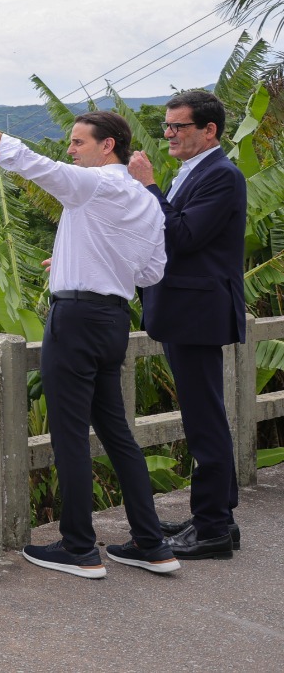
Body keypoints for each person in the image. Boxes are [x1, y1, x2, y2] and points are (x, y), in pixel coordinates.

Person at [0, 95, 178, 577]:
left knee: (69, 435)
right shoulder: (146, 202)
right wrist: (82, 258)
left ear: (107, 145)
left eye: (77, 141)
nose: (70, 150)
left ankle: (79, 548)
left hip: (75, 323)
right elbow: (151, 273)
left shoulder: (91, 185)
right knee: (118, 435)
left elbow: (26, 161)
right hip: (114, 322)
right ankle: (153, 545)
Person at [127, 89, 246, 560]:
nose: (169, 134)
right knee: (204, 416)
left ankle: (213, 526)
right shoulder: (195, 172)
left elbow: (183, 235)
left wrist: (150, 187)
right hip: (186, 312)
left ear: (209, 130)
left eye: (179, 127)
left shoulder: (222, 175)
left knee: (205, 420)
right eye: (167, 126)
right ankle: (216, 517)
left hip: (198, 314)